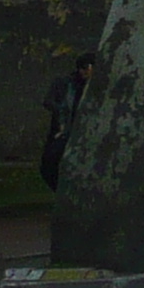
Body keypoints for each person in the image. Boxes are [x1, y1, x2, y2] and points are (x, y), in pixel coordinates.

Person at [38, 54, 94, 189]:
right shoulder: (65, 83)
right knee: (49, 164)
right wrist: (62, 111)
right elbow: (48, 101)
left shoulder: (94, 87)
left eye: (89, 68)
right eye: (84, 68)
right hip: (63, 130)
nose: (86, 72)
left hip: (84, 132)